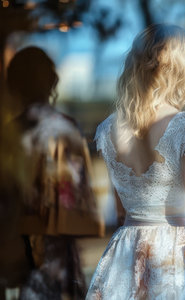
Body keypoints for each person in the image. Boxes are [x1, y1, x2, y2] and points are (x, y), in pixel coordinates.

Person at [86, 24, 185, 299]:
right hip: (172, 251)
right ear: (179, 69)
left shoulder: (106, 131)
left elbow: (119, 210)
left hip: (125, 249)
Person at [3, 47, 90, 299]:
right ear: (50, 82)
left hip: (16, 252)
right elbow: (75, 202)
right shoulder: (65, 129)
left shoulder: (8, 135)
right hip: (56, 252)